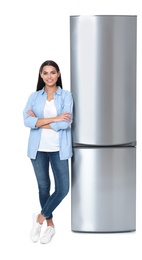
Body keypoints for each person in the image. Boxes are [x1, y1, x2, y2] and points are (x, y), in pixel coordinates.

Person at [23, 60, 73, 244]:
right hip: (38, 150)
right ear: (41, 75)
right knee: (43, 187)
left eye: (53, 72)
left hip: (58, 150)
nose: (49, 76)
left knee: (63, 189)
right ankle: (50, 226)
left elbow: (66, 123)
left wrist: (40, 121)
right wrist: (55, 118)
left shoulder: (66, 96)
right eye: (45, 73)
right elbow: (27, 121)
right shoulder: (34, 96)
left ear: (58, 74)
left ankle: (39, 219)